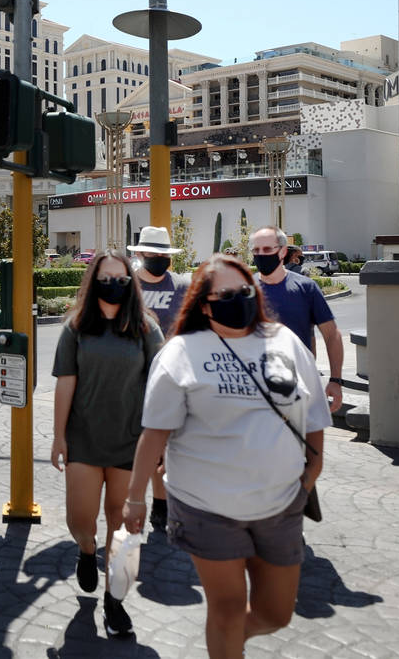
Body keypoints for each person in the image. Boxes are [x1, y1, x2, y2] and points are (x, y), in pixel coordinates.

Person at [122, 254, 332, 658]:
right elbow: (154, 433)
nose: (240, 298)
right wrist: (135, 497)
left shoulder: (285, 341)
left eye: (245, 291)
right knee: (228, 607)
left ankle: (230, 640)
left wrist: (311, 473)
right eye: (227, 294)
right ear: (204, 304)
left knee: (276, 613)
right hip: (206, 507)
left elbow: (313, 415)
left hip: (281, 503)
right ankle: (227, 642)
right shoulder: (180, 351)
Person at [51, 250, 164, 637]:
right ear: (92, 281)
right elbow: (65, 382)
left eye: (120, 278)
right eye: (105, 277)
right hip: (83, 440)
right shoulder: (76, 327)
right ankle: (86, 551)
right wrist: (57, 436)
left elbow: (159, 387)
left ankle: (114, 602)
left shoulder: (147, 329)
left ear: (130, 283)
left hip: (131, 443)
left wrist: (161, 443)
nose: (113, 284)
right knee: (80, 520)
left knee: (125, 527)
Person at [127, 225, 190, 531]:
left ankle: (165, 503)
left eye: (162, 254)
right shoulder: (128, 287)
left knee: (171, 444)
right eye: (152, 253)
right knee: (144, 444)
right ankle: (144, 501)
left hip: (173, 375)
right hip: (133, 377)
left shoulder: (182, 285)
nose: (158, 259)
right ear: (140, 254)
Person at [251, 226, 344, 412]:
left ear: (283, 251)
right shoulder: (244, 289)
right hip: (253, 389)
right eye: (256, 250)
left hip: (299, 387)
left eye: (268, 249)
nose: (261, 255)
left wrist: (335, 380)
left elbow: (331, 334)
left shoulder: (306, 288)